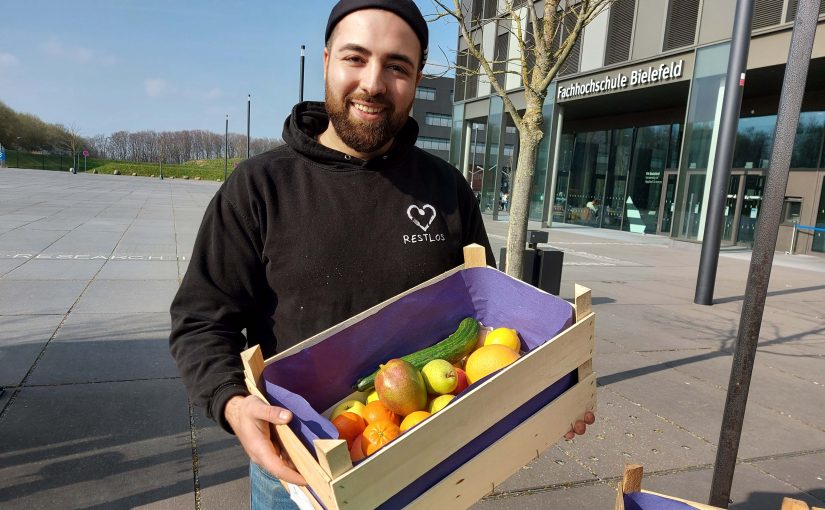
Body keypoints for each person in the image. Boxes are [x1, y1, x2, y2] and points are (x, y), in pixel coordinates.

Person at [169, 1, 594, 508]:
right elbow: (200, 321)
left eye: (397, 66)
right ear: (327, 61)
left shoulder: (445, 189)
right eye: (355, 58)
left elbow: (485, 319)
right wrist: (232, 402)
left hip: (431, 464)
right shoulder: (259, 188)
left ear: (416, 81)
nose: (373, 83)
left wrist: (547, 389)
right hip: (298, 474)